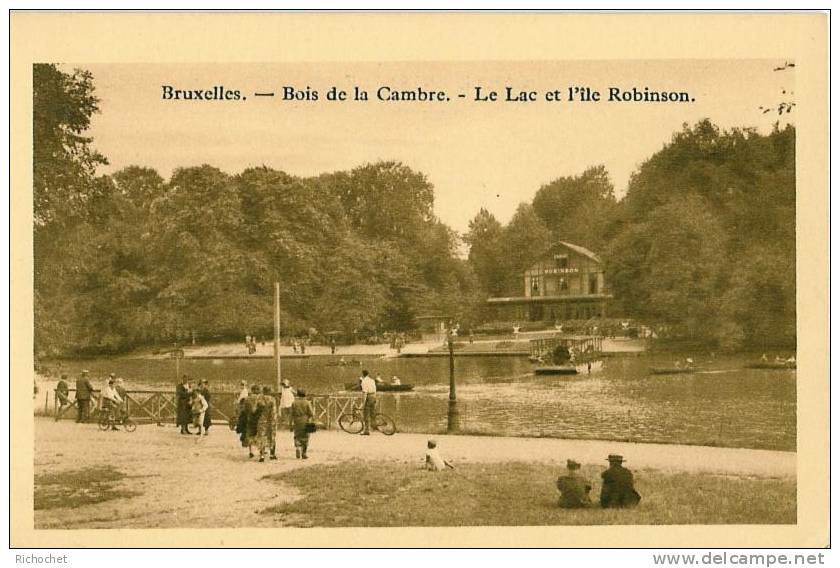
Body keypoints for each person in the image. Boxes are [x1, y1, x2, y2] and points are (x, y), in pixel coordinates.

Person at [290, 388, 315, 459]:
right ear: (305, 394)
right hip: (305, 420)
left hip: (296, 421)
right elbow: (311, 413)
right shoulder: (307, 402)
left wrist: (290, 424)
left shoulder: (294, 403)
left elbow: (291, 414)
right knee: (306, 437)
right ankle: (304, 453)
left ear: (297, 394)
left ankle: (298, 447)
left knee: (297, 435)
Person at [256, 386, 278, 461]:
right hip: (270, 421)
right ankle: (272, 454)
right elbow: (274, 412)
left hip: (261, 420)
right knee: (272, 436)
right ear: (269, 391)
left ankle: (262, 455)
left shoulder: (259, 399)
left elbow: (256, 410)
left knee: (262, 437)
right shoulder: (272, 399)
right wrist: (274, 421)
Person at [245, 385, 263, 458]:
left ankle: (251, 451)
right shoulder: (261, 398)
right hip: (259, 419)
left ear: (252, 390)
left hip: (250, 418)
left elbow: (245, 410)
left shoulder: (247, 399)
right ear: (258, 390)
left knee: (250, 434)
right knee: (260, 435)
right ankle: (261, 453)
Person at [359, 370, 377, 435]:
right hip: (374, 396)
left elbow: (364, 393)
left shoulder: (363, 381)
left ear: (363, 374)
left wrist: (363, 403)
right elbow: (375, 390)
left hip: (368, 397)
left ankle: (366, 431)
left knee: (366, 414)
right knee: (372, 413)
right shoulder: (372, 380)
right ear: (368, 374)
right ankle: (374, 426)